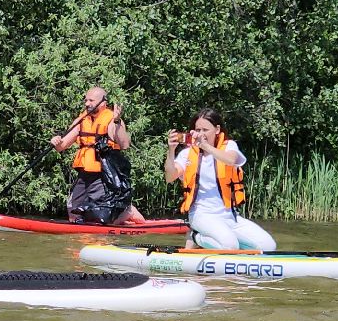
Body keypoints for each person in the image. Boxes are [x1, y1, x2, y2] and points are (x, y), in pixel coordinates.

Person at [167, 108, 277, 251]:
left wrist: (205, 146)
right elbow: (170, 177)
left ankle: (224, 245)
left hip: (229, 217)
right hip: (201, 215)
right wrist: (171, 151)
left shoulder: (229, 146)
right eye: (197, 130)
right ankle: (195, 236)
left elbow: (231, 160)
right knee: (229, 245)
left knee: (268, 246)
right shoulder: (187, 154)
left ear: (217, 129)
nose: (200, 134)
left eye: (205, 130)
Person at [50, 85, 144, 224]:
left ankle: (127, 211)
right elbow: (61, 146)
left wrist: (117, 121)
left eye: (91, 100)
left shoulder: (112, 119)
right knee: (73, 211)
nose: (87, 104)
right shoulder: (82, 120)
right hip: (85, 172)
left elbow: (124, 144)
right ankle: (87, 233)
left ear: (103, 102)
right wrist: (56, 141)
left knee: (102, 213)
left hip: (103, 172)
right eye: (86, 100)